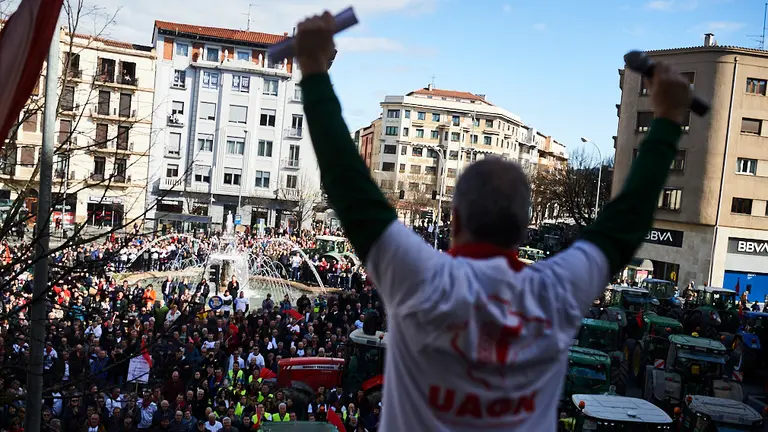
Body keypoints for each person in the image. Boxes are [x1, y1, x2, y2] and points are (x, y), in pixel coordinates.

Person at [294, 11, 690, 431]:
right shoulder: (554, 293)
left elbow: (346, 182)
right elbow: (624, 223)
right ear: (523, 228)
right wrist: (667, 119)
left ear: (455, 219)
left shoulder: (419, 280)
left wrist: (314, 69)